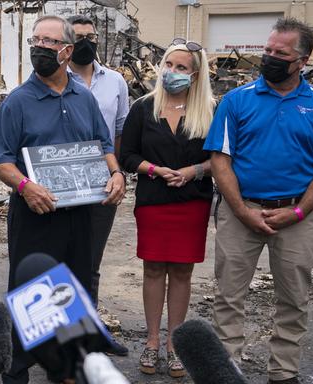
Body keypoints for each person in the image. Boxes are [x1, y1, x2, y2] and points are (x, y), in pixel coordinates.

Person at [203, 18, 313, 384]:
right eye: (267, 50)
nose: (270, 57)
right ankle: (228, 370)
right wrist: (241, 210)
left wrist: (299, 211)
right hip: (242, 213)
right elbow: (220, 161)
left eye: (280, 54)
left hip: (297, 216)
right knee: (228, 298)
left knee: (293, 299)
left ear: (303, 60)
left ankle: (283, 373)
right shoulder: (237, 100)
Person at [0, 15, 125, 384]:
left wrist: (116, 173)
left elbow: (104, 144)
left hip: (80, 213)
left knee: (73, 292)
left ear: (67, 50)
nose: (40, 48)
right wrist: (25, 187)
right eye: (36, 41)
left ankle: (66, 371)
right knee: (31, 295)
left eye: (49, 42)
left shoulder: (84, 96)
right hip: (34, 214)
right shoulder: (17, 102)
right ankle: (16, 373)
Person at [119, 38, 215, 378]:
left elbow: (221, 159)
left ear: (195, 74)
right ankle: (153, 340)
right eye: (168, 65)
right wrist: (154, 170)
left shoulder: (210, 111)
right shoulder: (144, 107)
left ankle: (176, 343)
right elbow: (126, 155)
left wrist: (194, 171)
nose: (171, 72)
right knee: (154, 269)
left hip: (192, 203)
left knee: (183, 272)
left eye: (180, 68)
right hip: (154, 201)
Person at [66, 14, 131, 357]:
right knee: (61, 262)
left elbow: (119, 131)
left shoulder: (116, 82)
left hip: (102, 185)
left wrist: (116, 172)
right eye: (78, 37)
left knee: (90, 263)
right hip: (61, 187)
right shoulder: (54, 79)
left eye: (91, 37)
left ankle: (89, 333)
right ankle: (63, 339)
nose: (86, 43)